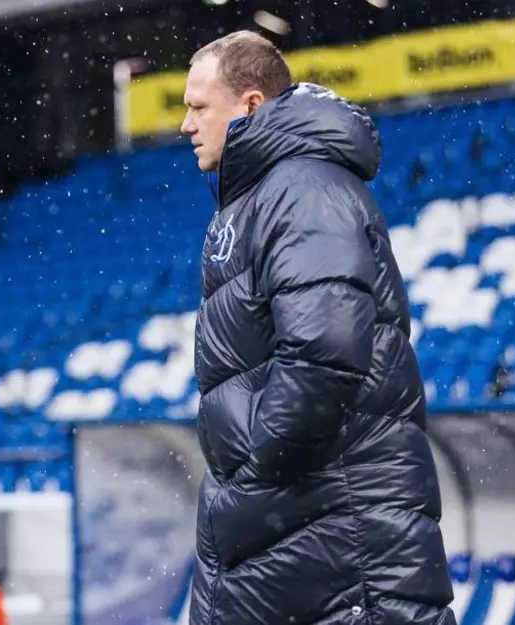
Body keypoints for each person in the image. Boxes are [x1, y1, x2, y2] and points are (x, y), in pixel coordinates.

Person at [180, 30, 456, 625]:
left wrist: (256, 474)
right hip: (298, 525)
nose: (186, 124)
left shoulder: (302, 189)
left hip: (332, 528)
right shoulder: (264, 195)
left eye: (199, 107)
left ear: (250, 105)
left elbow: (323, 352)